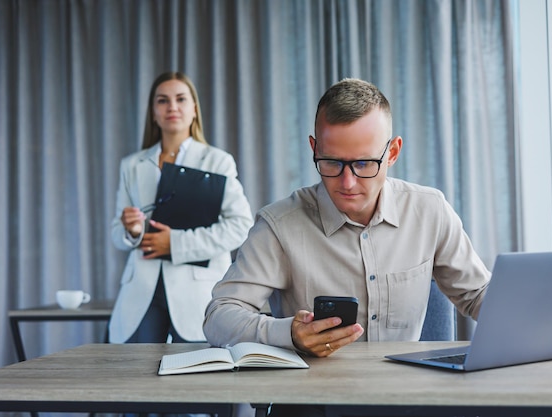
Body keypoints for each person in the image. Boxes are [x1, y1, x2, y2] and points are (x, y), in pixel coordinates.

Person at [202, 78, 491, 416]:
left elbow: (477, 295)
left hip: (406, 400)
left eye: (364, 164)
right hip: (313, 403)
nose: (347, 182)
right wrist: (288, 334)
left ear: (393, 152)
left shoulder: (429, 210)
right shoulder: (279, 225)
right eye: (332, 163)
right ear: (314, 149)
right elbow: (219, 317)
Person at [108, 71, 253, 345]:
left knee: (195, 378)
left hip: (198, 290)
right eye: (162, 101)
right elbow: (118, 233)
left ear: (194, 109)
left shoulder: (217, 162)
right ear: (153, 112)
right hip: (141, 290)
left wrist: (174, 243)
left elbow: (240, 226)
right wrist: (133, 231)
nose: (172, 107)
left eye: (180, 99)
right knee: (133, 374)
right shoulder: (132, 165)